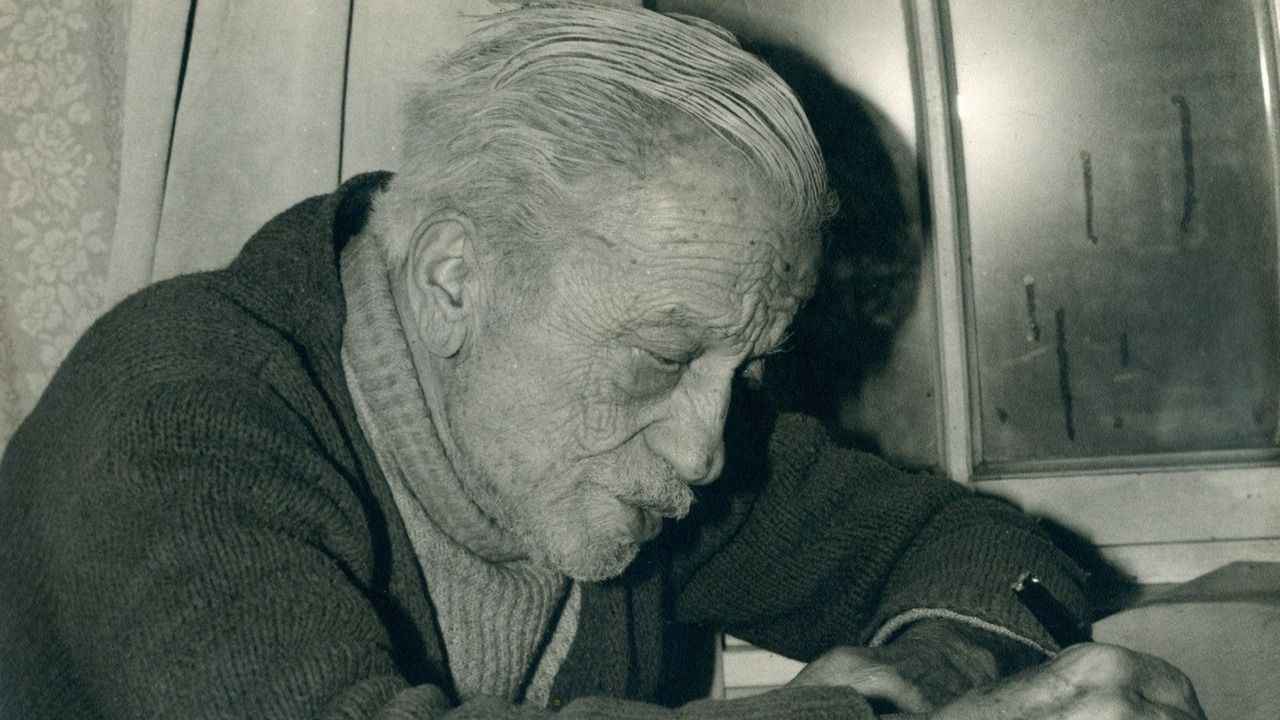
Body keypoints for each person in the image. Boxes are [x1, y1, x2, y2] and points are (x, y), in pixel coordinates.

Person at [0, 4, 1203, 718]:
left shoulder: (641, 443)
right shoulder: (175, 410)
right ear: (454, 278)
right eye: (663, 357)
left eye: (744, 370)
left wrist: (931, 671)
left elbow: (976, 547)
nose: (706, 446)